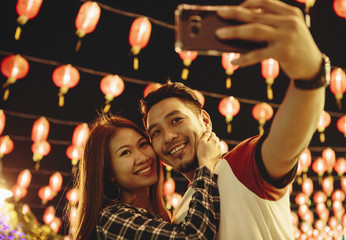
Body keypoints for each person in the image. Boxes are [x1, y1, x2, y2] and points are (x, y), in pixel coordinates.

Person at [140, 0, 328, 239]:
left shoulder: (242, 165)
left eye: (176, 120)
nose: (167, 136)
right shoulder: (185, 210)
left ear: (205, 121)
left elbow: (289, 141)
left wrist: (310, 74)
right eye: (155, 132)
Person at [70, 113, 222, 240]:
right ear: (108, 172)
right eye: (125, 152)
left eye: (143, 144)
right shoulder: (112, 219)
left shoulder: (159, 218)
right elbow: (194, 236)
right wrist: (206, 165)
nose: (143, 158)